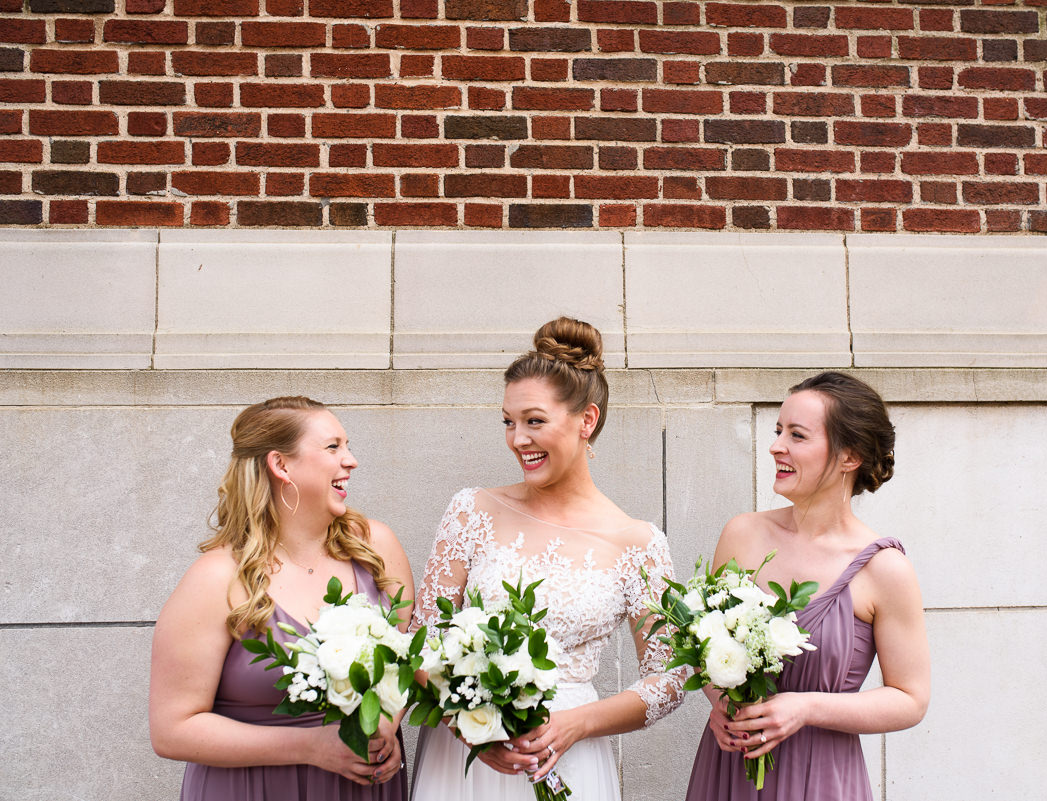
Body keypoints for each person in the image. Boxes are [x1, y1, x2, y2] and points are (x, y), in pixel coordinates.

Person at [409, 317, 687, 801]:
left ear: (587, 420)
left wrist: (577, 724)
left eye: (534, 421)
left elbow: (670, 676)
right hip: (465, 758)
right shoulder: (471, 510)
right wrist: (467, 725)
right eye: (508, 422)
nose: (518, 439)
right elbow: (421, 638)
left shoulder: (638, 543)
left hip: (568, 754)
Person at [149, 396, 415, 799]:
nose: (351, 460)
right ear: (281, 465)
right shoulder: (218, 578)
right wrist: (311, 748)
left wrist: (386, 729)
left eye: (347, 445)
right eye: (333, 447)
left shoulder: (375, 547)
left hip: (362, 786)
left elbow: (410, 661)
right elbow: (172, 730)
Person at [685, 372, 929, 801]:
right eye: (778, 431)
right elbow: (704, 647)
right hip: (728, 768)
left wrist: (806, 707)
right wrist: (718, 701)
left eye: (797, 435)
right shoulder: (741, 535)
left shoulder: (884, 569)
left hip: (820, 778)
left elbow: (910, 698)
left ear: (849, 456)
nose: (776, 446)